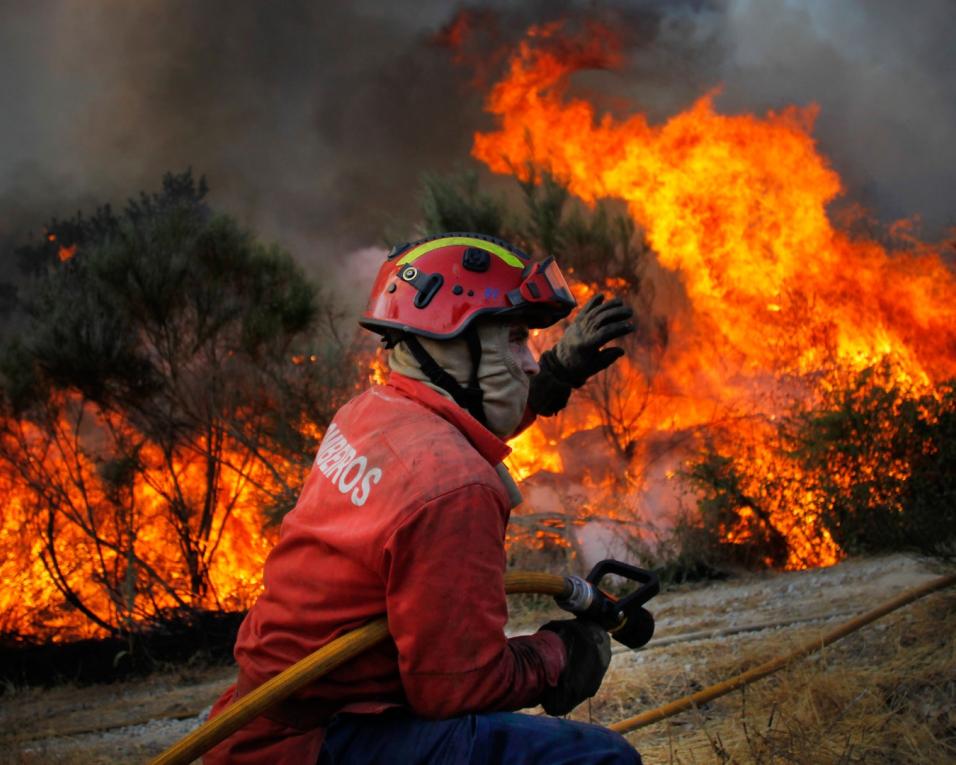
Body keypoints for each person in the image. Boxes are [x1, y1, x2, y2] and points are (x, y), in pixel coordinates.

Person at [204, 233, 641, 764]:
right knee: (603, 760)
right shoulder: (455, 490)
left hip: (259, 726)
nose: (528, 362)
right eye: (514, 339)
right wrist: (559, 655)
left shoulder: (371, 413)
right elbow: (458, 688)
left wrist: (551, 380)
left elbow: (453, 434)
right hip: (324, 743)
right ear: (447, 347)